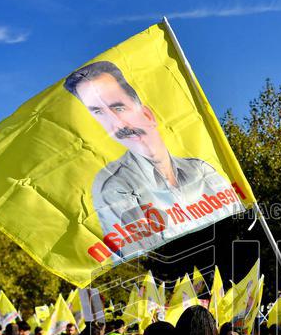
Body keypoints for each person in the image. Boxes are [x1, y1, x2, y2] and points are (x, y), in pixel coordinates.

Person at [63, 61, 238, 256]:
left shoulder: (201, 170)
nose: (117, 125)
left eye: (119, 108)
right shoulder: (114, 187)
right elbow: (141, 256)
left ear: (147, 115)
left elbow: (238, 219)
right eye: (99, 112)